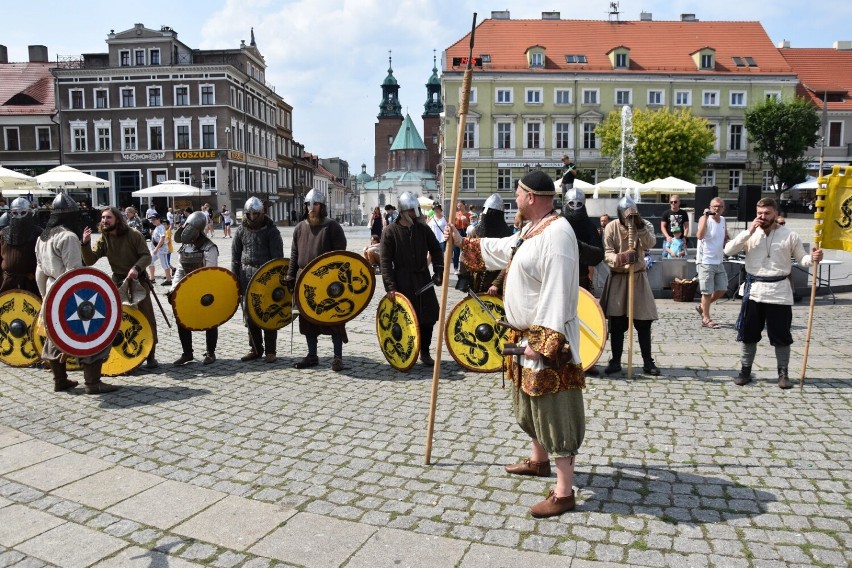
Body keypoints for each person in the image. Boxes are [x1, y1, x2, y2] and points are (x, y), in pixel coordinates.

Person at [446, 170, 584, 519]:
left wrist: (543, 341)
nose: (515, 199)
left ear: (532, 198)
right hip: (524, 336)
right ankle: (539, 461)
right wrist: (464, 243)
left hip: (548, 341)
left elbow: (558, 290)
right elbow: (503, 249)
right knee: (529, 405)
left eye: (519, 193)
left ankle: (564, 491)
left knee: (555, 412)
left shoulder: (557, 235)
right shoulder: (531, 230)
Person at [723, 198, 822, 389]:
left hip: (779, 293)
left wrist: (814, 258)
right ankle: (745, 371)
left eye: (767, 213)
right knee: (748, 334)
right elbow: (728, 250)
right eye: (759, 213)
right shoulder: (749, 234)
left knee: (781, 335)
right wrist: (749, 232)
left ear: (775, 213)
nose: (762, 216)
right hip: (754, 292)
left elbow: (803, 259)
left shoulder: (789, 235)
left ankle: (783, 373)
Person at [36, 193, 118, 394]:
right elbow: (73, 272)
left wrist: (47, 297)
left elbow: (40, 271)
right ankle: (93, 383)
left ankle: (60, 380)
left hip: (52, 291)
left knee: (55, 335)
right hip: (71, 295)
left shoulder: (42, 237)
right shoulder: (68, 236)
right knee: (92, 332)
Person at [82, 207, 159, 369]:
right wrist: (86, 243)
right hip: (117, 282)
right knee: (117, 319)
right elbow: (90, 260)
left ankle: (151, 354)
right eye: (103, 218)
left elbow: (146, 255)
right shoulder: (105, 237)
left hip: (138, 282)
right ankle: (125, 356)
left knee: (146, 317)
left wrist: (136, 269)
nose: (104, 221)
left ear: (117, 219)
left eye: (108, 217)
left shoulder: (133, 234)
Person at [285, 189, 348, 371]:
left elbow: (340, 255)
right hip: (304, 280)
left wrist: (335, 280)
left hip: (327, 282)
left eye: (315, 205)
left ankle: (337, 357)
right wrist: (290, 275)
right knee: (307, 320)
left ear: (322, 207)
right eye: (308, 205)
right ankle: (312, 355)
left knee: (334, 318)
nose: (311, 208)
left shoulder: (332, 227)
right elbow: (294, 254)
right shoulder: (300, 228)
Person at [381, 191, 443, 366]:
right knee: (405, 319)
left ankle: (424, 351)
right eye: (412, 211)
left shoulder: (422, 229)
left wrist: (438, 271)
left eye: (416, 211)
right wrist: (390, 286)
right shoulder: (390, 231)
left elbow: (437, 250)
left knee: (428, 316)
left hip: (423, 278)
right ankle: (406, 351)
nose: (416, 214)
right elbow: (385, 262)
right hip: (402, 280)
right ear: (403, 211)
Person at [601, 195, 660, 376]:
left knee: (643, 322)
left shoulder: (645, 225)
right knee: (617, 323)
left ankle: (648, 362)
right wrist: (621, 258)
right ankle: (616, 360)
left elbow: (650, 242)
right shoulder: (611, 227)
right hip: (619, 279)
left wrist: (639, 226)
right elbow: (608, 253)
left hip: (638, 279)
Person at [232, 197, 284, 363]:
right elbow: (235, 257)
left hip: (265, 276)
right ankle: (255, 348)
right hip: (246, 274)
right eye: (250, 214)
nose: (253, 217)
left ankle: (270, 350)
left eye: (256, 213)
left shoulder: (272, 231)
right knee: (250, 314)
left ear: (262, 213)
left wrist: (276, 280)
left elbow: (278, 258)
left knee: (268, 311)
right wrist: (235, 279)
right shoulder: (240, 231)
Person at [171, 211, 220, 366]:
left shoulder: (209, 248)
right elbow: (180, 269)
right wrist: (174, 287)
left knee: (209, 321)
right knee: (182, 319)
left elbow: (210, 273)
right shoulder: (185, 246)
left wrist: (203, 290)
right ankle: (187, 353)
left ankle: (210, 352)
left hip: (204, 290)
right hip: (186, 290)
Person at [464, 193, 512, 295]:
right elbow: (467, 254)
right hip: (477, 281)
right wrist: (465, 277)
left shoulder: (507, 235)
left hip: (495, 285)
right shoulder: (476, 231)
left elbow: (509, 260)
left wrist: (496, 283)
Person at [561, 188, 604, 292]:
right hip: (559, 277)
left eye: (578, 204)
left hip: (581, 279)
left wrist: (578, 246)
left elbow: (598, 254)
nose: (575, 207)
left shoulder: (589, 226)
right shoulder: (557, 223)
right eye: (571, 203)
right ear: (566, 203)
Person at [695, 197, 728, 328]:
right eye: (714, 206)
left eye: (719, 206)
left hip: (719, 260)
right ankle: (706, 319)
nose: (717, 208)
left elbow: (724, 236)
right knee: (707, 292)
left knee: (722, 288)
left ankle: (702, 307)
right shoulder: (705, 219)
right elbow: (699, 236)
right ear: (710, 207)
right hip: (705, 261)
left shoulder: (723, 220)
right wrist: (705, 217)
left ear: (723, 208)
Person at [0, 197, 42, 295]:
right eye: (15, 213)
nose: (19, 216)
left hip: (31, 281)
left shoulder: (38, 233)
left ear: (29, 212)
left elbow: (43, 258)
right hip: (8, 281)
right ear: (11, 214)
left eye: (23, 212)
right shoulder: (4, 233)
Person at [148, 214, 172, 285]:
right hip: (157, 249)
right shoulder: (157, 227)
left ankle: (168, 280)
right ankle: (152, 278)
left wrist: (156, 248)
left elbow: (162, 238)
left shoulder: (161, 227)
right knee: (150, 261)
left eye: (154, 219)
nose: (152, 221)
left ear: (158, 219)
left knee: (165, 264)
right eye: (152, 219)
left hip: (161, 250)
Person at [452, 201, 470, 272]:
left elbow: (471, 226)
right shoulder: (456, 214)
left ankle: (466, 267)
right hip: (458, 231)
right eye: (458, 206)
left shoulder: (468, 214)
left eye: (461, 206)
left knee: (466, 250)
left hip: (465, 231)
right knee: (456, 250)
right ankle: (455, 268)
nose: (459, 207)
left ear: (464, 205)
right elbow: (453, 224)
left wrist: (466, 222)